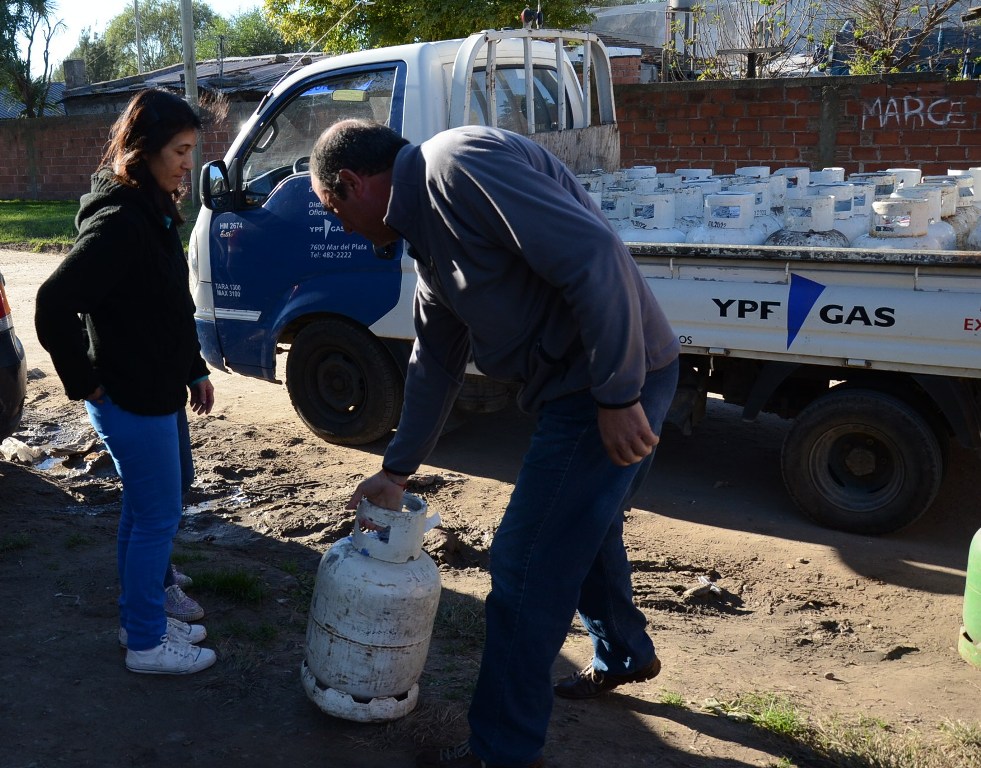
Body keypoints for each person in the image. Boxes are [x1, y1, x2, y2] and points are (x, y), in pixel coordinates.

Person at [312, 119, 680, 768]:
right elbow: (434, 363)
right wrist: (395, 473)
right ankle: (625, 654)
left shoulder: (456, 166)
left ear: (350, 184)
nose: (338, 224)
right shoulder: (426, 235)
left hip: (604, 383)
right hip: (590, 385)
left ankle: (501, 752)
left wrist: (617, 393)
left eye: (332, 207)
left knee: (523, 564)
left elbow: (593, 254)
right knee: (583, 528)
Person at [35, 88, 218, 676]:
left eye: (193, 149)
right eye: (181, 150)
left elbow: (169, 306)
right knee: (158, 516)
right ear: (144, 151)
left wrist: (193, 368)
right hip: (127, 397)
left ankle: (141, 616)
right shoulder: (120, 222)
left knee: (146, 512)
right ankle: (146, 642)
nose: (190, 162)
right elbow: (53, 303)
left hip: (155, 389)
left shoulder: (155, 207)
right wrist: (82, 381)